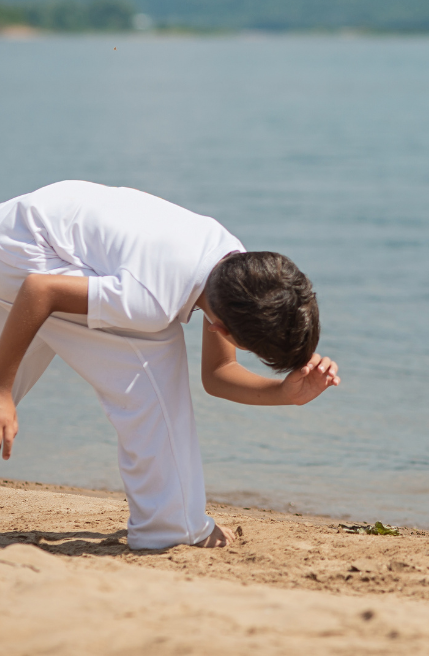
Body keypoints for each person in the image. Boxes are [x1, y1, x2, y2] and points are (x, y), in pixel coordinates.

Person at [0, 180, 340, 549]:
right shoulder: (149, 299)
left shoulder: (234, 268)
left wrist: (284, 393)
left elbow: (217, 376)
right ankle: (172, 527)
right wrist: (2, 391)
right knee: (154, 348)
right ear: (222, 329)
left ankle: (173, 520)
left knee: (40, 335)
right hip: (27, 251)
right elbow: (39, 291)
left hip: (28, 235)